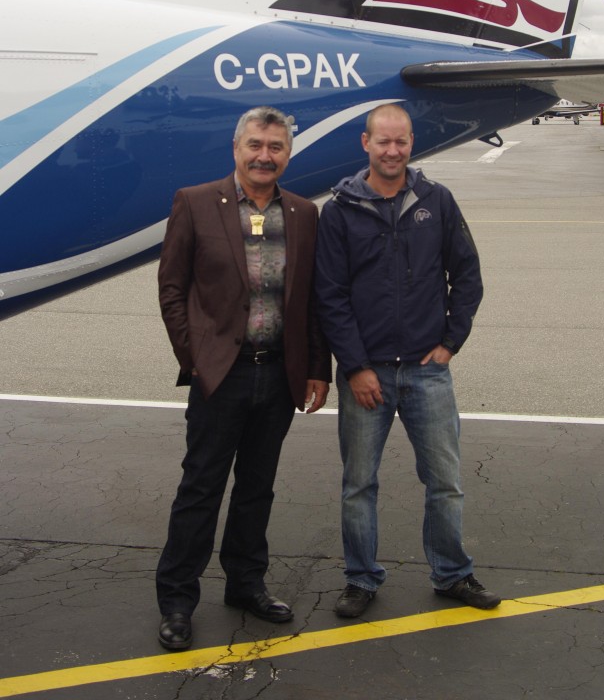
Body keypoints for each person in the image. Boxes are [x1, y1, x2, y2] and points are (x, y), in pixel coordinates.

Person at [156, 105, 331, 650]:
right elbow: (172, 287)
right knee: (201, 488)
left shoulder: (303, 213)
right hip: (220, 375)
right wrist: (195, 356)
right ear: (236, 148)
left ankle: (246, 583)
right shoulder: (195, 202)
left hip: (278, 376)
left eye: (276, 147)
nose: (264, 156)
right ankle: (177, 600)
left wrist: (317, 369)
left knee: (257, 488)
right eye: (255, 145)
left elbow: (312, 300)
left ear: (288, 154)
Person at [315, 103, 500, 618]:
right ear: (366, 144)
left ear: (412, 143)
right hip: (367, 375)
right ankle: (360, 578)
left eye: (401, 141)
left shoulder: (437, 201)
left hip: (427, 371)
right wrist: (356, 367)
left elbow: (468, 275)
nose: (392, 151)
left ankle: (452, 574)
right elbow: (330, 296)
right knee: (359, 485)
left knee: (445, 482)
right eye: (383, 141)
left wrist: (451, 341)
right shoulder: (339, 211)